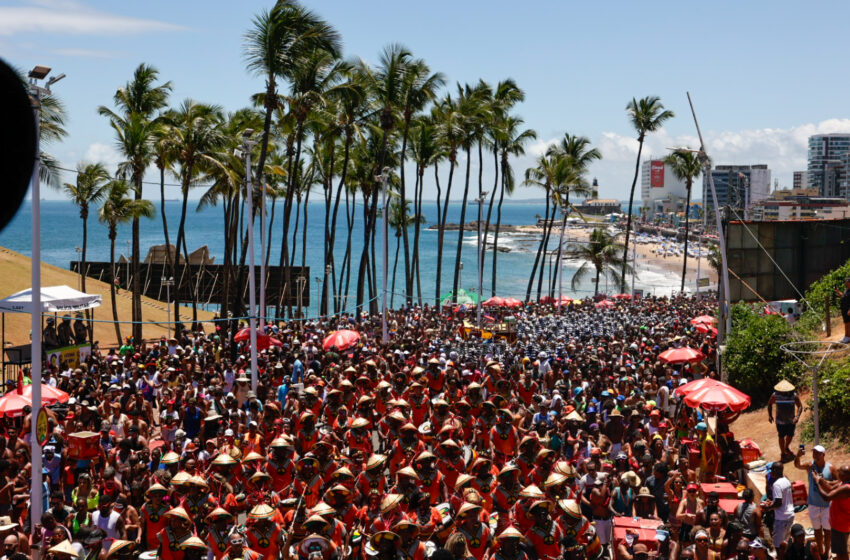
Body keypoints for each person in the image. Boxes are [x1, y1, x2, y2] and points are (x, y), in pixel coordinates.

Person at [794, 444, 837, 559]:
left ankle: (827, 549)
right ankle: (820, 549)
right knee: (817, 530)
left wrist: (823, 482)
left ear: (823, 454)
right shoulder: (810, 466)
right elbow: (797, 465)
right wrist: (797, 456)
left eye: (818, 453)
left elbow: (839, 482)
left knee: (827, 530)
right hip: (813, 504)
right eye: (814, 453)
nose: (815, 455)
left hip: (827, 505)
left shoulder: (831, 468)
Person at [813, 464, 850, 560]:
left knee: (842, 553)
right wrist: (820, 480)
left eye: (840, 471)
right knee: (840, 551)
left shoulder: (846, 488)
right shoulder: (843, 483)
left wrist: (817, 483)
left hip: (840, 526)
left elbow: (827, 497)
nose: (837, 472)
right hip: (839, 524)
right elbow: (829, 487)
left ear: (846, 475)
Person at [767, 380, 802, 462]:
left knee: (790, 435)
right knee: (781, 437)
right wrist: (770, 415)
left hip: (791, 420)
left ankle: (786, 447)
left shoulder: (794, 396)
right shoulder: (775, 395)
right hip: (780, 421)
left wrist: (797, 417)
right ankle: (783, 453)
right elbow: (769, 404)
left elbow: (800, 406)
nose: (784, 392)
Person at [765, 462, 795, 549]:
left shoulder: (777, 484)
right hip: (790, 515)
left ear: (775, 470)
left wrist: (768, 508)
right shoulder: (786, 480)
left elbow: (778, 503)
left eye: (772, 470)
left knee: (778, 545)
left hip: (781, 517)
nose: (770, 472)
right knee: (785, 542)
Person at [834, 277, 850, 343]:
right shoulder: (847, 289)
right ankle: (846, 336)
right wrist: (837, 291)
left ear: (849, 282)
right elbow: (843, 296)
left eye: (846, 281)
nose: (845, 283)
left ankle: (848, 337)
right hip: (844, 309)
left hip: (848, 310)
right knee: (846, 323)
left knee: (848, 324)